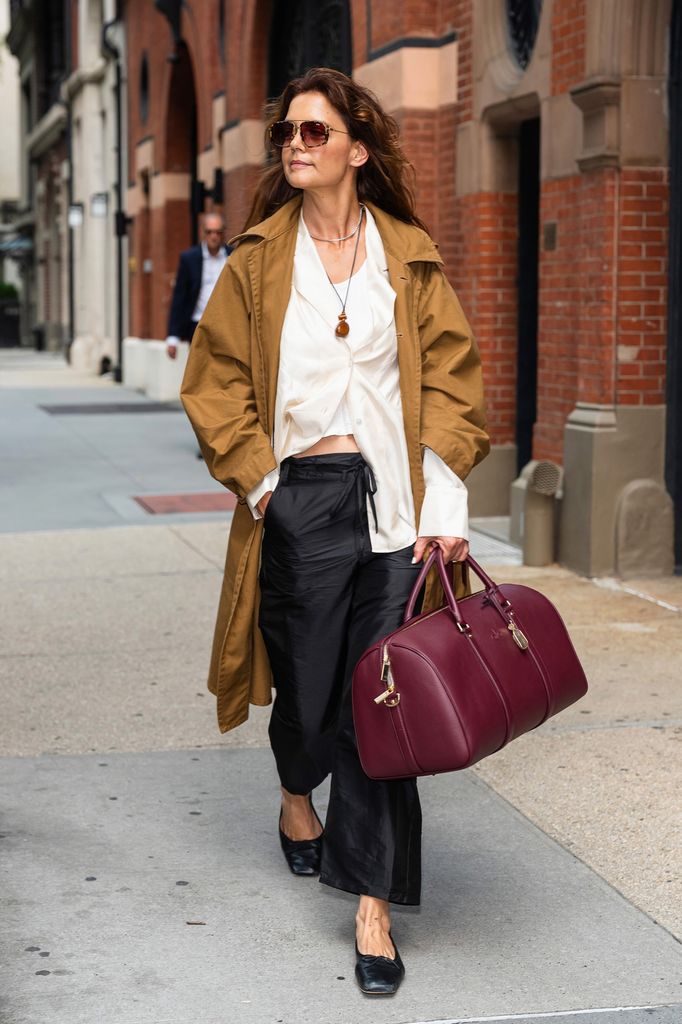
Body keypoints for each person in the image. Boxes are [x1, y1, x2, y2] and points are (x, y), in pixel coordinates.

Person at [181, 67, 489, 996]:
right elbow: (213, 387)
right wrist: (266, 483)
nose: (295, 145)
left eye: (315, 132)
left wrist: (444, 509)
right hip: (301, 497)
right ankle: (291, 795)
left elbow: (451, 387)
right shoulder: (257, 261)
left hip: (395, 509)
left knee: (377, 707)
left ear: (358, 146)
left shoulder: (410, 255)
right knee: (310, 698)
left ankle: (372, 908)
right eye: (288, 133)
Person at [165, 212, 232, 360]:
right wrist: (173, 337)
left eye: (218, 232)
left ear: (223, 233)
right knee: (200, 370)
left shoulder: (233, 256)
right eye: (209, 232)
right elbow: (179, 297)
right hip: (197, 324)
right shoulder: (189, 259)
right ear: (203, 233)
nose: (214, 236)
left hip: (227, 324)